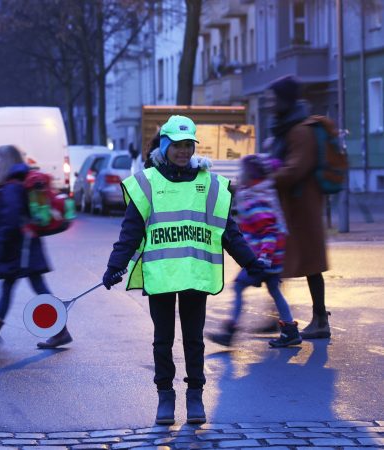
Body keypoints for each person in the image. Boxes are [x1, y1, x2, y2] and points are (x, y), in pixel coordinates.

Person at [101, 115, 263, 425]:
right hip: (161, 277)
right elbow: (130, 232)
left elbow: (228, 231)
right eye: (177, 145)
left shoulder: (209, 184)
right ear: (165, 146)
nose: (183, 151)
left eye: (188, 145)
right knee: (163, 339)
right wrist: (114, 266)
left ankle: (195, 396)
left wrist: (251, 263)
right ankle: (165, 396)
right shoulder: (147, 183)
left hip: (194, 276)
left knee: (194, 340)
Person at [207, 154, 302, 348]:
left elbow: (269, 231)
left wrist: (265, 256)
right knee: (275, 290)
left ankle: (230, 331)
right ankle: (290, 330)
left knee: (239, 287)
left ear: (250, 174)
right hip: (270, 259)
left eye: (242, 172)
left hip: (261, 259)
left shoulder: (255, 200)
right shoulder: (261, 194)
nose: (240, 176)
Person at [266, 75, 331, 339]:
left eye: (274, 98)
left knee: (310, 265)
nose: (271, 103)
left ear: (286, 99)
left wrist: (267, 176)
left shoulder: (300, 130)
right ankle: (277, 314)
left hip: (304, 207)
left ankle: (320, 319)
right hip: (291, 206)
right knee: (283, 260)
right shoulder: (286, 127)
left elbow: (296, 168)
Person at [0, 145, 70, 349]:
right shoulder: (16, 182)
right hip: (25, 246)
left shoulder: (12, 186)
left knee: (15, 287)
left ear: (5, 162)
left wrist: (1, 246)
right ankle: (60, 331)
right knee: (31, 287)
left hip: (18, 248)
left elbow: (11, 219)